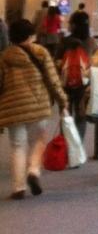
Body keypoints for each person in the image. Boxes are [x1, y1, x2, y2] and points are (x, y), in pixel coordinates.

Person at [0, 18, 68, 200]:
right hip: (38, 106)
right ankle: (33, 170)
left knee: (17, 146)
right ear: (31, 35)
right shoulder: (41, 52)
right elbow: (53, 80)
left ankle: (18, 187)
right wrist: (63, 100)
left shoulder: (4, 57)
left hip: (12, 109)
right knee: (39, 140)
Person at [56, 13, 95, 140]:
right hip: (84, 84)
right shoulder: (91, 42)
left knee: (65, 116)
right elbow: (96, 63)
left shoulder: (65, 41)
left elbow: (57, 62)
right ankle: (78, 147)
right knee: (81, 116)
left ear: (73, 25)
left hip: (65, 84)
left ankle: (65, 145)